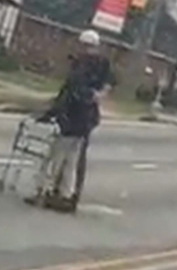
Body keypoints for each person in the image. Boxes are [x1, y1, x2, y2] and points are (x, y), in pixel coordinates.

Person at [25, 29, 115, 213]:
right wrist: (96, 96)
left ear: (83, 45)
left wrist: (51, 112)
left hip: (72, 119)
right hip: (86, 121)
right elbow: (106, 85)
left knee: (55, 158)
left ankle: (43, 190)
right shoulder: (102, 65)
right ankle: (66, 195)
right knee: (71, 160)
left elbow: (70, 94)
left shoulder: (81, 68)